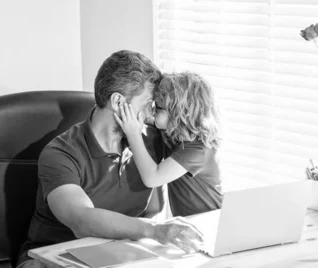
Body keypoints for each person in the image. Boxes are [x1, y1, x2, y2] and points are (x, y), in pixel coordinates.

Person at [16, 51, 203, 268]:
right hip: (52, 259)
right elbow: (82, 221)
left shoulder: (149, 141)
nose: (151, 115)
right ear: (117, 101)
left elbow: (152, 210)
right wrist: (153, 231)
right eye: (147, 104)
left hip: (118, 256)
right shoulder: (60, 154)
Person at [115, 72, 223, 217]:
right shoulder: (175, 133)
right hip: (190, 221)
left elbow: (152, 178)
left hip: (209, 221)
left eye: (158, 108)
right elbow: (153, 121)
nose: (152, 111)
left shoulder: (197, 150)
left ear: (179, 114)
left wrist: (133, 134)